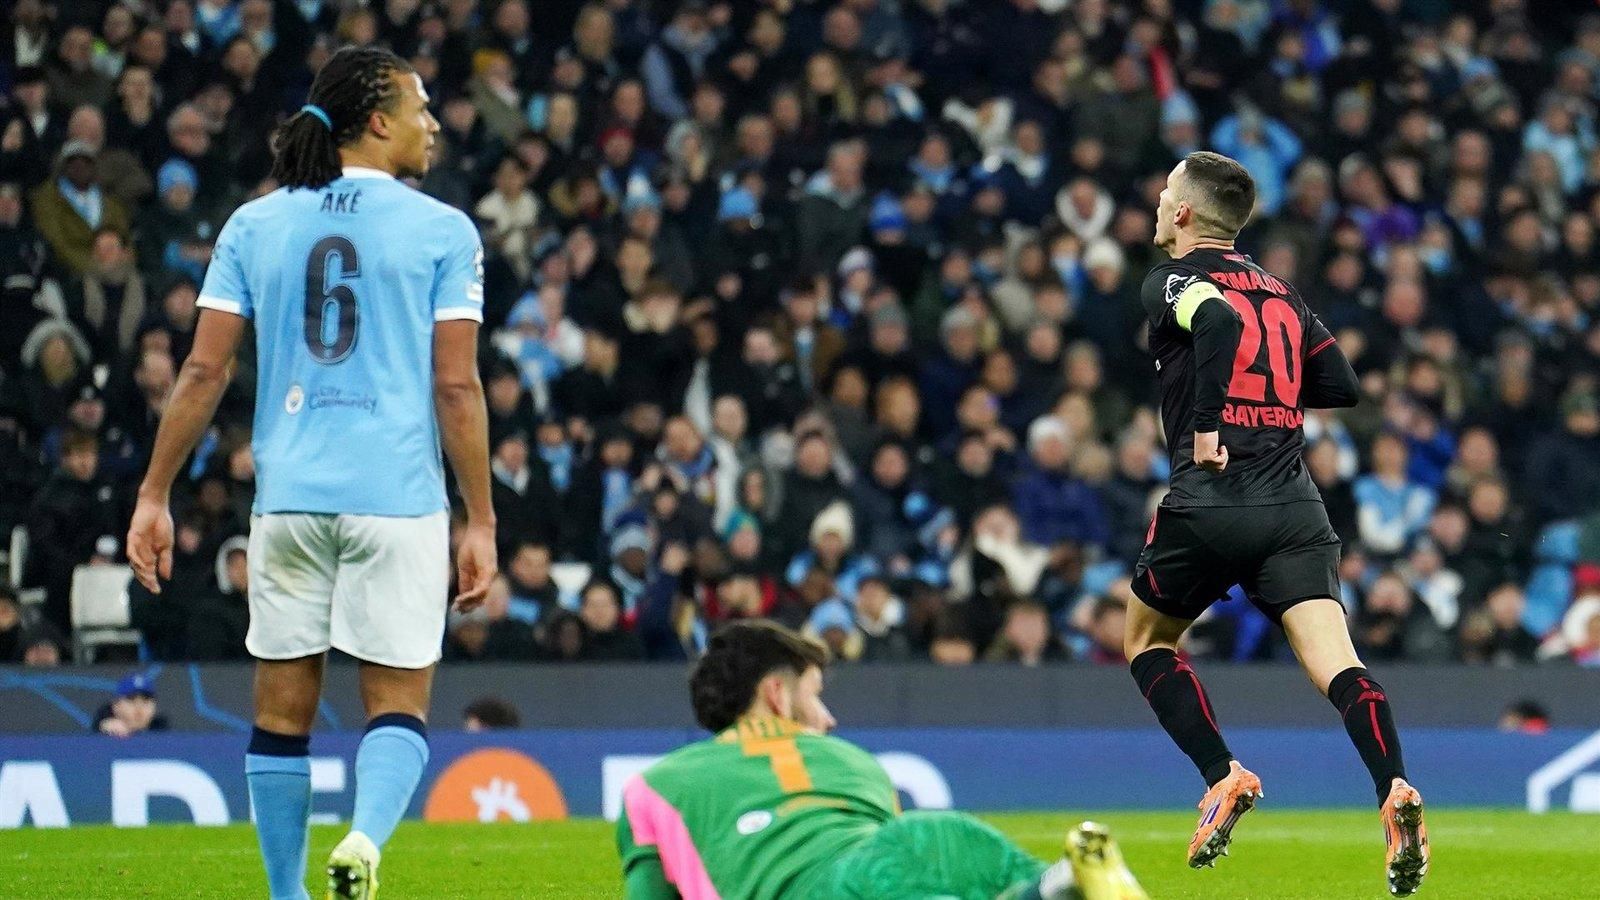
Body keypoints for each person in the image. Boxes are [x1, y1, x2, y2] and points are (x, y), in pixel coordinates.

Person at [124, 48, 497, 900]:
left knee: (280, 716)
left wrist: (154, 494)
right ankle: (364, 842)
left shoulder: (254, 225)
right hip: (398, 499)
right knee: (396, 706)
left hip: (289, 500)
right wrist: (479, 517)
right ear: (376, 119)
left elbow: (202, 374)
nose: (432, 123)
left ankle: (288, 895)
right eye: (419, 107)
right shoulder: (444, 230)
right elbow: (455, 385)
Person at [1127, 151, 1428, 895]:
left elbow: (1219, 320)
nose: (1160, 204)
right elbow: (1341, 383)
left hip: (1211, 499)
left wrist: (1207, 426)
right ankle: (1393, 788)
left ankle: (1222, 774)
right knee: (1339, 663)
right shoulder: (1284, 294)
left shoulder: (1171, 280)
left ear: (1187, 213)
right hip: (1293, 505)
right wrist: (1271, 400)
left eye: (1167, 194)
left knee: (1145, 641)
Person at [616, 620, 1147, 900]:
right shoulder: (854, 762)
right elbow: (889, 861)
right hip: (936, 836)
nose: (827, 719)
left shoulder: (654, 787)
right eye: (815, 694)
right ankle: (1056, 884)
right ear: (777, 696)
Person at [92, 672, 170, 737]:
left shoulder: (165, 736)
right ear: (116, 706)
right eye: (131, 699)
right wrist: (102, 730)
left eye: (145, 700)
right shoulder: (99, 734)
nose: (139, 707)